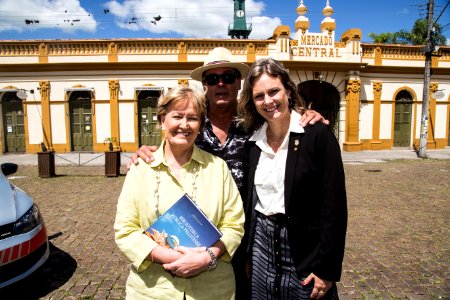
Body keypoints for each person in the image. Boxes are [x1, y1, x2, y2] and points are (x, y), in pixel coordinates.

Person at [129, 47, 329, 299]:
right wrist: (144, 152)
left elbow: (283, 118)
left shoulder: (257, 122)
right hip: (192, 239)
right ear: (205, 85)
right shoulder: (192, 124)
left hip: (248, 240)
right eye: (212, 79)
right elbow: (168, 147)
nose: (220, 84)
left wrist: (306, 116)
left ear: (239, 83)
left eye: (228, 77)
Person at [114, 85, 245, 299]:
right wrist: (171, 257)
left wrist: (206, 258)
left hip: (212, 290)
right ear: (162, 120)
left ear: (201, 126)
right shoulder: (141, 169)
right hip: (152, 290)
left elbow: (234, 225)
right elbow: (125, 230)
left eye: (192, 118)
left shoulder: (218, 168)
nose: (184, 125)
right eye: (177, 116)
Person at [237, 58, 347, 299]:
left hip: (304, 253)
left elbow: (334, 208)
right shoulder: (253, 143)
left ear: (287, 90)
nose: (268, 101)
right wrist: (248, 254)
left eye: (273, 91)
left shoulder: (317, 135)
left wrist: (326, 269)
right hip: (261, 248)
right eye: (258, 96)